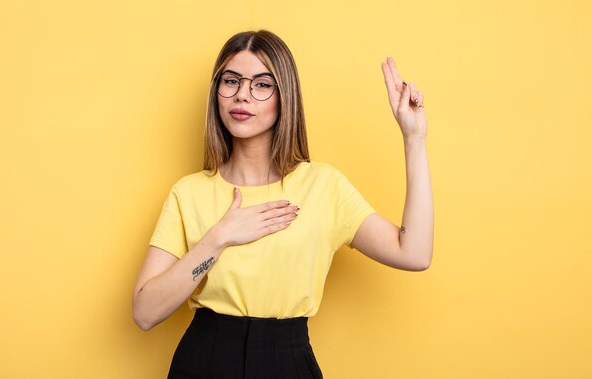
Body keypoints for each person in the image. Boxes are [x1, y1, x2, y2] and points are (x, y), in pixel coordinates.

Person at [132, 30, 433, 379]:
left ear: (284, 96)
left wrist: (414, 139)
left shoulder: (323, 185)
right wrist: (219, 238)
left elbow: (414, 253)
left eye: (261, 84)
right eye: (231, 81)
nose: (242, 95)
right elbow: (144, 312)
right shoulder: (189, 192)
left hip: (286, 362)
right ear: (216, 92)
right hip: (205, 360)